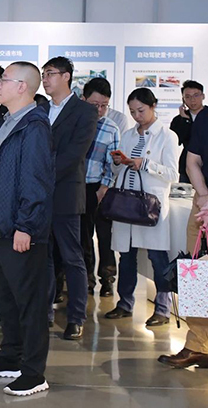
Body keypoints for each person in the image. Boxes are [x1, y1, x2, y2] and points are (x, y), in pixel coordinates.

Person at [0, 61, 54, 397]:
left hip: (20, 231)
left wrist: (26, 226)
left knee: (30, 303)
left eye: (4, 80)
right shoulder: (6, 123)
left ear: (22, 86)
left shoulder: (34, 127)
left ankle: (34, 372)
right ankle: (11, 358)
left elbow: (36, 182)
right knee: (6, 300)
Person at [104, 88, 179, 327]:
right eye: (133, 112)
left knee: (158, 257)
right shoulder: (127, 135)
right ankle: (125, 304)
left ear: (153, 106)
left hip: (150, 206)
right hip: (126, 205)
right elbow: (117, 171)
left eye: (141, 110)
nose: (137, 116)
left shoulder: (167, 136)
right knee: (126, 257)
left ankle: (162, 309)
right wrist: (119, 162)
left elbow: (173, 174)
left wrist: (145, 164)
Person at [40, 57, 98, 340]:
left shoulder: (85, 111)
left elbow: (75, 152)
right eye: (43, 74)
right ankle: (44, 314)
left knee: (72, 257)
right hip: (38, 196)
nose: (45, 79)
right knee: (43, 257)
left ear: (66, 77)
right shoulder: (40, 108)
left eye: (50, 74)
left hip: (65, 193)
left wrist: (41, 175)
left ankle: (76, 317)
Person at [159, 101, 208, 368]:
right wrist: (204, 197)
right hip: (203, 204)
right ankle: (198, 345)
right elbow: (192, 160)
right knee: (198, 274)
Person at [80, 78, 120, 297]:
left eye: (104, 105)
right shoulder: (74, 123)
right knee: (83, 238)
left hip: (100, 187)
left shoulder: (111, 128)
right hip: (78, 188)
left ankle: (107, 279)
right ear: (83, 99)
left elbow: (112, 164)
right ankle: (86, 280)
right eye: (94, 104)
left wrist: (104, 188)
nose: (99, 110)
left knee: (105, 237)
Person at [170, 80, 206, 183]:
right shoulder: (178, 120)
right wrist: (185, 121)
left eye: (196, 95)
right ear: (183, 99)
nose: (192, 100)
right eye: (188, 97)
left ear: (203, 96)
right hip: (187, 166)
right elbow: (177, 141)